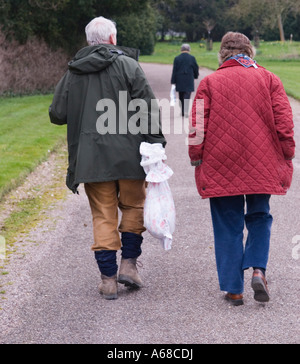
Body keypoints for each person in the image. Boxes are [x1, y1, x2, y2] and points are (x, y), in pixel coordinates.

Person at [49, 16, 166, 300]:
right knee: (134, 206)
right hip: (129, 156)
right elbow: (147, 108)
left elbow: (57, 114)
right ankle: (129, 264)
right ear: (112, 39)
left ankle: (108, 280)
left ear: (89, 41)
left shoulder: (74, 72)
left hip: (91, 158)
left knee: (103, 214)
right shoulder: (128, 65)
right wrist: (156, 144)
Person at [189, 32, 295, 306]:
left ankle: (234, 289)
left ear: (222, 55)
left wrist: (195, 156)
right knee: (260, 216)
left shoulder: (209, 82)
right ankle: (258, 269)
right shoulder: (269, 79)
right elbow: (284, 124)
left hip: (221, 162)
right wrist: (287, 153)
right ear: (250, 52)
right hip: (262, 162)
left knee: (227, 223)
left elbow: (197, 128)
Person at [171, 43, 199, 117]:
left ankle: (182, 110)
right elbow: (195, 68)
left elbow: (174, 70)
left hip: (179, 79)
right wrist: (195, 76)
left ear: (181, 50)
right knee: (187, 95)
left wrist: (173, 81)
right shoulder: (192, 58)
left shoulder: (177, 58)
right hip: (189, 79)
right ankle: (186, 111)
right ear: (189, 50)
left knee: (181, 95)